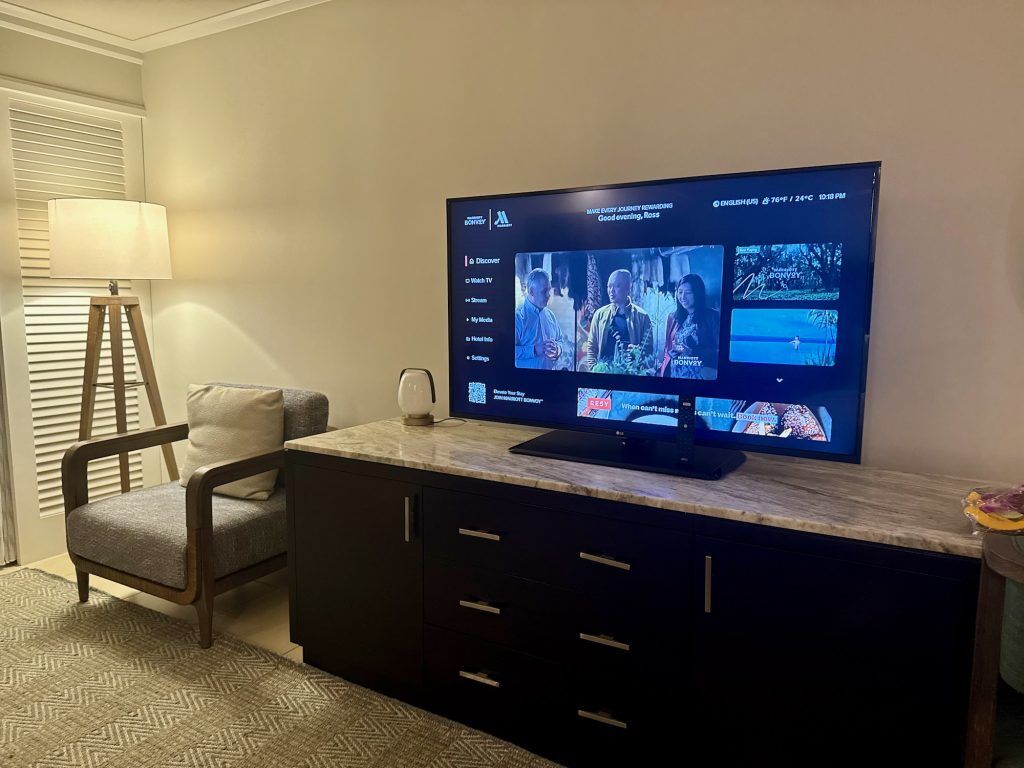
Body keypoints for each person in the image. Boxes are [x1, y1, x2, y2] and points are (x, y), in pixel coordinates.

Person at [587, 269, 653, 371]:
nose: (611, 291)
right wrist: (593, 369)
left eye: (617, 286)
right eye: (609, 286)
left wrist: (637, 353)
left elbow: (648, 352)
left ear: (628, 287)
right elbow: (592, 346)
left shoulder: (642, 317)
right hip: (603, 373)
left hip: (631, 374)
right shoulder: (599, 315)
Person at [660, 273, 721, 378]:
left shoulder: (712, 316)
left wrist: (692, 352)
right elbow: (668, 348)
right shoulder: (673, 317)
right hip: (676, 375)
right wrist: (671, 353)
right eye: (680, 292)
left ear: (698, 293)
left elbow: (720, 352)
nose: (683, 297)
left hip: (702, 376)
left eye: (688, 293)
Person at [514, 268, 570, 370]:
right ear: (531, 291)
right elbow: (506, 351)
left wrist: (558, 349)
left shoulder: (550, 315)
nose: (548, 295)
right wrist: (534, 350)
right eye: (544, 291)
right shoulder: (518, 317)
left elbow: (559, 340)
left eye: (549, 290)